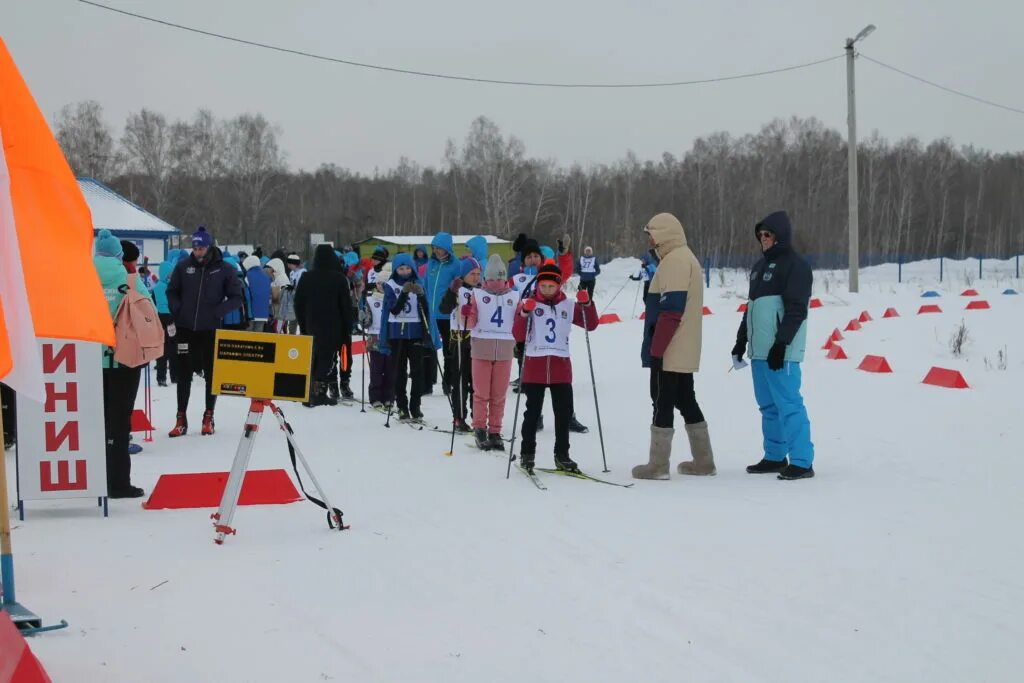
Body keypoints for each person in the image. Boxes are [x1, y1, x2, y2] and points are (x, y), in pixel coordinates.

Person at [632, 213, 715, 480]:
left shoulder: (674, 261)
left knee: (662, 400)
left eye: (651, 235)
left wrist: (656, 351)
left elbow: (670, 312)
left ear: (663, 234)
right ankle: (704, 461)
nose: (650, 240)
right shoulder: (684, 257)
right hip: (682, 346)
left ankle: (657, 465)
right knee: (685, 398)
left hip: (670, 348)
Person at [733, 211, 815, 480]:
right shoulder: (759, 267)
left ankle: (802, 461)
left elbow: (796, 309)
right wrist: (741, 341)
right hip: (759, 352)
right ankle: (775, 456)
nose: (763, 239)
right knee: (768, 407)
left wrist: (781, 344)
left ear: (780, 236)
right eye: (760, 235)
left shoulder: (796, 266)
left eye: (767, 234)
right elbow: (752, 309)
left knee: (789, 404)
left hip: (783, 352)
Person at [512, 263, 599, 473]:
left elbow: (591, 324)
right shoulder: (529, 303)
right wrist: (524, 313)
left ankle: (562, 455)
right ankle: (527, 454)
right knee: (532, 413)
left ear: (559, 286)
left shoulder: (568, 305)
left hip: (561, 367)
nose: (547, 290)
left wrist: (587, 304)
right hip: (535, 367)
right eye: (543, 286)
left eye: (551, 286)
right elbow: (518, 335)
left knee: (563, 414)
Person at [166, 226, 243, 437]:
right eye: (195, 248)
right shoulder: (183, 267)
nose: (197, 252)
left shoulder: (224, 269)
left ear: (209, 247)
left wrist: (218, 312)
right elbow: (171, 291)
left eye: (201, 248)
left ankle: (209, 416)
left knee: (211, 374)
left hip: (210, 329)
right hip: (185, 328)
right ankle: (181, 418)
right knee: (183, 374)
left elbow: (237, 297)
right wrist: (177, 308)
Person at [94, 232, 152, 497]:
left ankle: (94, 479)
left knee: (96, 419)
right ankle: (118, 482)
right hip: (125, 359)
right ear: (119, 255)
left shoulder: (83, 276)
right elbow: (148, 312)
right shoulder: (130, 280)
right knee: (119, 420)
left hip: (89, 361)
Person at [462, 255, 517, 450]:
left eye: (499, 278)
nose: (496, 282)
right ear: (486, 279)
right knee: (481, 393)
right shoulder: (477, 295)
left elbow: (520, 321)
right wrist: (466, 312)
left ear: (505, 278)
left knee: (499, 394)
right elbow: (469, 323)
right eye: (492, 278)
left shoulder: (514, 296)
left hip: (504, 351)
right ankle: (479, 428)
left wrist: (525, 312)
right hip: (481, 349)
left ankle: (495, 430)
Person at [294, 244, 354, 407]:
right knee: (327, 359)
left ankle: (309, 391)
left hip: (311, 324)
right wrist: (348, 327)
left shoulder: (306, 277)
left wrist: (303, 324)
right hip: (333, 324)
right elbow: (345, 305)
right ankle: (319, 393)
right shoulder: (339, 278)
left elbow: (298, 303)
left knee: (313, 358)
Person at [378, 253, 432, 422]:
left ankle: (415, 406)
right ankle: (402, 406)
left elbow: (425, 310)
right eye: (401, 269)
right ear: (396, 269)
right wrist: (404, 293)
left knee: (417, 372)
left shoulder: (419, 282)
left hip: (415, 332)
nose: (405, 271)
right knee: (399, 371)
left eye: (408, 268)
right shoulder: (390, 285)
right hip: (397, 333)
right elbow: (394, 309)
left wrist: (421, 295)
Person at [439, 257, 481, 432]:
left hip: (477, 340)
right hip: (459, 340)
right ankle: (459, 417)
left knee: (477, 382)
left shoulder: (481, 290)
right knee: (461, 381)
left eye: (478, 274)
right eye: (472, 274)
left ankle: (478, 418)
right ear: (464, 274)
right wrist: (451, 291)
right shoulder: (458, 289)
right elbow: (444, 309)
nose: (476, 277)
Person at [423, 232, 461, 395]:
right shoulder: (431, 264)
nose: (436, 251)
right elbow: (425, 284)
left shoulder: (456, 265)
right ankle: (428, 382)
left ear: (447, 248)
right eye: (434, 248)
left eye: (439, 248)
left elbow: (458, 288)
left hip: (447, 314)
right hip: (431, 314)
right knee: (428, 348)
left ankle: (448, 381)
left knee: (448, 349)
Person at [360, 262, 395, 410]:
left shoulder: (394, 300)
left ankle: (389, 397)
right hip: (375, 338)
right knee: (376, 370)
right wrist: (363, 318)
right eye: (380, 283)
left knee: (390, 370)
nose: (382, 286)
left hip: (390, 338)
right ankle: (375, 397)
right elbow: (366, 322)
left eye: (385, 284)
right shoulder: (370, 299)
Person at [152, 250, 183, 387]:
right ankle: (175, 376)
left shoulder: (156, 287)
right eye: (170, 273)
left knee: (162, 348)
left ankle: (161, 377)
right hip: (170, 318)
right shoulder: (170, 287)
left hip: (159, 319)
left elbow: (152, 303)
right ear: (166, 273)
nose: (172, 275)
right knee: (173, 348)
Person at [242, 254, 272, 331]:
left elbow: (246, 293)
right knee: (258, 333)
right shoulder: (266, 277)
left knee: (249, 332)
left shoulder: (248, 276)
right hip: (263, 312)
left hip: (251, 311)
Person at [264, 257, 290, 332]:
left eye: (271, 269)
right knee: (277, 329)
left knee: (277, 330)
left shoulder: (282, 279)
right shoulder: (276, 278)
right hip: (277, 312)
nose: (270, 272)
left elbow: (281, 297)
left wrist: (269, 300)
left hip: (281, 313)